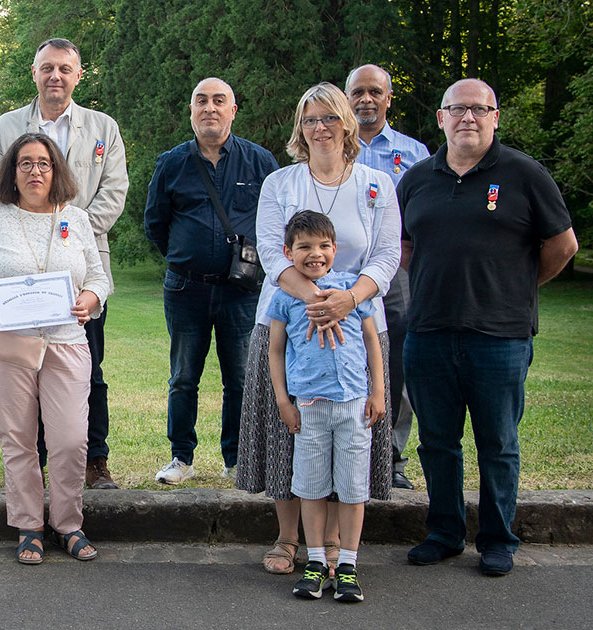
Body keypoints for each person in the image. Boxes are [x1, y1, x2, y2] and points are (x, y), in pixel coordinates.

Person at [399, 79, 577, 577]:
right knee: (437, 442)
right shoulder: (415, 179)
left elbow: (563, 245)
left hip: (500, 337)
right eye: (458, 109)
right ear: (441, 118)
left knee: (497, 443)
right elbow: (406, 248)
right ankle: (445, 532)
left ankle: (497, 539)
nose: (468, 118)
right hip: (429, 333)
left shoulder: (525, 174)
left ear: (496, 117)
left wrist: (516, 287)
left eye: (480, 109)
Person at [236, 82, 399, 577]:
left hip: (358, 326)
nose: (320, 128)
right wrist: (315, 300)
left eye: (330, 118)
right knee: (294, 433)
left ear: (347, 124)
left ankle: (331, 544)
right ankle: (288, 539)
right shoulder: (280, 184)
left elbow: (388, 254)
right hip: (287, 321)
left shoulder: (376, 184)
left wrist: (347, 301)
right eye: (310, 120)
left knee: (346, 434)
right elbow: (268, 251)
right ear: (299, 129)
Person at [0, 38, 128, 489]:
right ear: (34, 72)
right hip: (19, 265)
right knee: (26, 365)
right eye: (47, 68)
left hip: (79, 267)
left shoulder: (102, 127)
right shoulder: (7, 127)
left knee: (89, 368)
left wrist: (71, 226)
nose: (55, 77)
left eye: (65, 69)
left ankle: (93, 460)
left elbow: (114, 191)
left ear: (78, 75)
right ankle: (40, 460)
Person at [0, 133, 111, 564]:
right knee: (19, 440)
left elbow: (100, 279)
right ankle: (28, 524)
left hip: (66, 343)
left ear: (56, 169)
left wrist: (90, 299)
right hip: (8, 345)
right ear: (12, 171)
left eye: (43, 163)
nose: (34, 171)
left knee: (69, 440)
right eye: (25, 163)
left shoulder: (77, 219)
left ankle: (68, 522)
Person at [143, 77, 278, 484]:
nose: (210, 108)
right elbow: (156, 225)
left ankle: (236, 460)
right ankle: (181, 458)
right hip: (186, 289)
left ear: (233, 111)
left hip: (241, 292)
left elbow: (275, 221)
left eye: (219, 101)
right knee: (184, 377)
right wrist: (189, 255)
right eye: (201, 101)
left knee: (240, 377)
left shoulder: (259, 162)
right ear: (191, 110)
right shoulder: (172, 163)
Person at [268, 211, 384, 603]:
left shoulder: (352, 290)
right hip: (310, 407)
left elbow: (372, 343)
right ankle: (316, 561)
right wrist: (283, 400)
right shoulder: (285, 296)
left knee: (352, 489)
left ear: (335, 249)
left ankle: (347, 565)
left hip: (353, 404)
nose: (314, 254)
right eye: (303, 247)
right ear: (288, 252)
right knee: (311, 487)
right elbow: (276, 349)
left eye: (323, 246)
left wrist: (379, 392)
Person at [345, 64, 431, 490]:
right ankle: (342, 450)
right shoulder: (333, 146)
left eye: (374, 92)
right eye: (358, 92)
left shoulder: (414, 154)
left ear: (388, 98)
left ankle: (390, 456)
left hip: (394, 274)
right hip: (338, 273)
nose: (366, 99)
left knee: (394, 362)